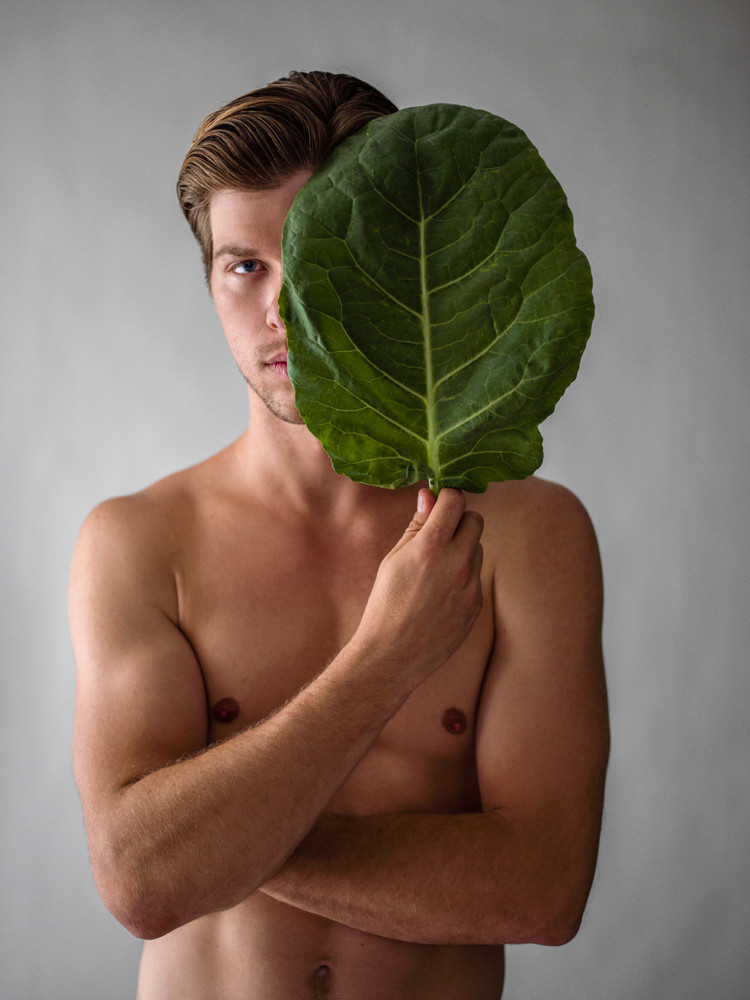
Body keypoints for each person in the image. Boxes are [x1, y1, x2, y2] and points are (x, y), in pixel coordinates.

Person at [69, 71, 609, 1000]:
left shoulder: (528, 535)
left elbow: (544, 889)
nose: (283, 308)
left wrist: (223, 837)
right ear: (209, 283)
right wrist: (385, 661)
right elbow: (141, 881)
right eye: (247, 265)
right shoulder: (139, 544)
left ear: (396, 272)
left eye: (316, 258)